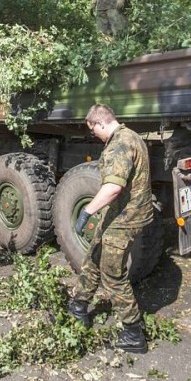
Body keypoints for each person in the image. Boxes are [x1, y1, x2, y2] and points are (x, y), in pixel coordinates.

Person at [68, 103, 154, 353]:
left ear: (100, 123)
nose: (93, 134)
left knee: (112, 273)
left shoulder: (119, 144)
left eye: (92, 129)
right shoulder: (131, 135)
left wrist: (87, 211)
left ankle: (133, 333)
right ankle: (79, 305)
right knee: (94, 255)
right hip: (118, 213)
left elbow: (113, 187)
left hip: (125, 217)